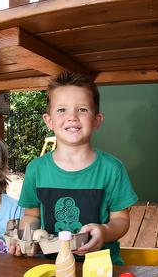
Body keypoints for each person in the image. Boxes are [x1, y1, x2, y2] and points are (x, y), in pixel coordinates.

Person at [10, 71, 138, 265]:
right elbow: (31, 215)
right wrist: (25, 238)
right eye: (62, 110)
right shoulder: (36, 169)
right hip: (50, 265)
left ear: (97, 120)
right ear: (49, 120)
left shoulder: (112, 169)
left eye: (83, 109)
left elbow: (121, 220)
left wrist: (104, 232)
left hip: (101, 266)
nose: (72, 117)